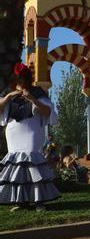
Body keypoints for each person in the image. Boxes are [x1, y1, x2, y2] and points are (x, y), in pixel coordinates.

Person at [0, 63, 60, 211]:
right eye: (20, 79)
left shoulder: (38, 92)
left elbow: (48, 112)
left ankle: (39, 201)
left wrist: (33, 99)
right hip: (14, 130)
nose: (23, 82)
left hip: (32, 130)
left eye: (25, 79)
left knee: (33, 162)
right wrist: (8, 97)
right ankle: (21, 201)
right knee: (17, 165)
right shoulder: (9, 92)